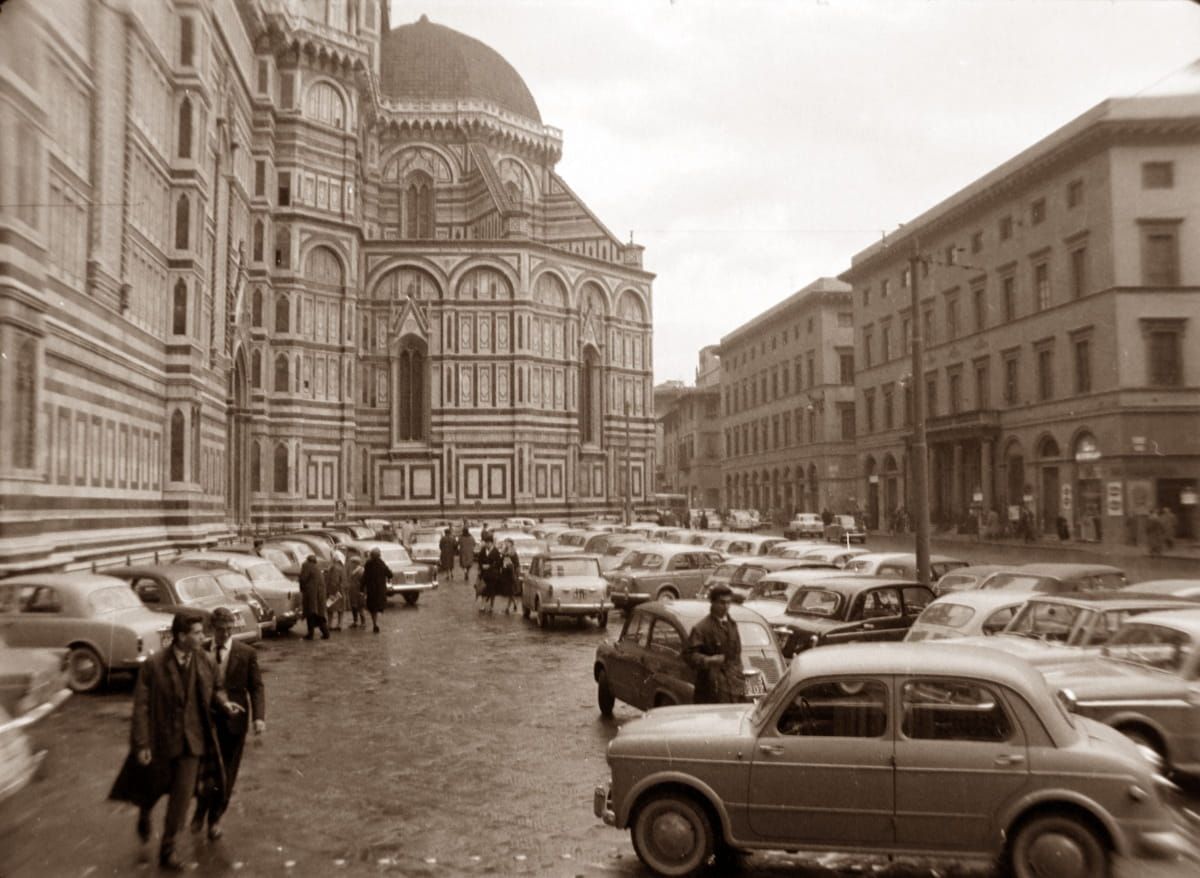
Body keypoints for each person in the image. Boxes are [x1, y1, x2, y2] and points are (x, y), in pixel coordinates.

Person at [108, 610, 242, 870]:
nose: (203, 636)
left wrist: (225, 705)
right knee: (151, 789)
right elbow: (141, 707)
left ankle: (167, 848)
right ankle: (145, 812)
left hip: (193, 743)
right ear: (181, 636)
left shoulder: (205, 661)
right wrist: (142, 743)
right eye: (197, 633)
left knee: (181, 799)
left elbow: (217, 688)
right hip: (160, 742)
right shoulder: (154, 665)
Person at [190, 607, 264, 841]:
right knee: (202, 771)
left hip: (235, 721)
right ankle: (201, 809)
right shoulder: (200, 652)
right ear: (212, 629)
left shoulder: (246, 653)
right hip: (206, 721)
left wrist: (259, 717)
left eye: (229, 630)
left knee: (226, 775)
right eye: (221, 630)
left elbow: (256, 687)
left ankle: (215, 819)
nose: (225, 634)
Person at [684, 585, 744, 704]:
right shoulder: (701, 628)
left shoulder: (732, 625)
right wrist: (709, 660)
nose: (726, 607)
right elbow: (689, 656)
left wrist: (739, 674)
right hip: (710, 689)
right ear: (712, 603)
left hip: (733, 686)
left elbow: (737, 654)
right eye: (722, 603)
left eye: (728, 603)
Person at [298, 554, 329, 640]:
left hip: (311, 594)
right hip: (320, 595)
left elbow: (303, 578)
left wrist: (301, 587)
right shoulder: (317, 568)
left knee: (310, 613)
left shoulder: (306, 565)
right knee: (319, 614)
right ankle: (325, 632)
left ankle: (310, 634)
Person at [361, 547, 392, 633]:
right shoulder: (382, 564)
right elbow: (390, 574)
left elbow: (364, 577)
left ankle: (375, 623)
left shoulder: (368, 564)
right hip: (380, 589)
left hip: (371, 590)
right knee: (378, 607)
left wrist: (361, 588)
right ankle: (376, 622)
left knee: (372, 608)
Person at [476, 534, 502, 614]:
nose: (486, 544)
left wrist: (490, 566)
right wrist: (481, 566)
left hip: (493, 575)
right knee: (483, 589)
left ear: (491, 543)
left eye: (487, 543)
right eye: (485, 543)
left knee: (492, 591)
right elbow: (479, 560)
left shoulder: (496, 551)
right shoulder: (483, 550)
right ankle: (483, 606)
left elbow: (498, 563)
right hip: (484, 574)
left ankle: (491, 606)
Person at [324, 550, 348, 630]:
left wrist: (331, 592)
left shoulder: (334, 568)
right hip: (341, 590)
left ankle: (330, 624)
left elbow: (334, 581)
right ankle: (339, 624)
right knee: (340, 609)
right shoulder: (342, 567)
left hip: (334, 591)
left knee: (330, 608)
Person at [498, 538, 521, 615]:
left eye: (507, 542)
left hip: (511, 573)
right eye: (505, 542)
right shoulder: (504, 551)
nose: (506, 544)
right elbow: (501, 561)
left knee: (511, 590)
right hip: (505, 573)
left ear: (511, 543)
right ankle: (514, 604)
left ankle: (507, 607)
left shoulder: (513, 553)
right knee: (509, 591)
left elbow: (517, 564)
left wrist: (516, 573)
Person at [347, 556, 366, 628]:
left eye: (351, 562)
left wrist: (363, 592)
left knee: (360, 607)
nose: (350, 564)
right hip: (353, 591)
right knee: (354, 607)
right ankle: (355, 621)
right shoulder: (353, 570)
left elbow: (363, 582)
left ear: (355, 563)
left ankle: (363, 622)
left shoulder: (361, 571)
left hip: (359, 591)